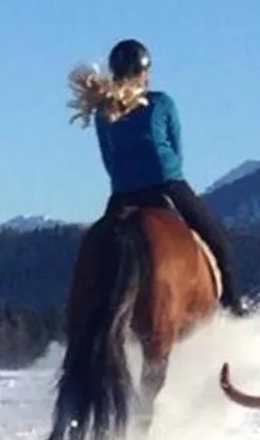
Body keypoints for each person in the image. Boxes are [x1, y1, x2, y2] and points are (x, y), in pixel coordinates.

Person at [68, 38, 242, 313]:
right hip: (166, 184)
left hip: (123, 193)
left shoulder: (104, 112)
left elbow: (108, 159)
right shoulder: (162, 103)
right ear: (144, 73)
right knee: (219, 244)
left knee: (100, 254)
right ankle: (233, 309)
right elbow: (176, 148)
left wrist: (127, 178)